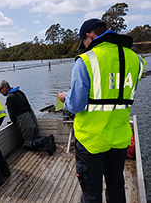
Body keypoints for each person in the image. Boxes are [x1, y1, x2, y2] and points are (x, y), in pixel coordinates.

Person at [58, 18, 146, 203]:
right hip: (120, 137)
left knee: (91, 193)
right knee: (116, 188)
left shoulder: (86, 61)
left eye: (83, 43)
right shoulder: (135, 59)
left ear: (89, 36)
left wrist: (66, 98)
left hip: (92, 141)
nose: (84, 48)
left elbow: (76, 105)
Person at [0, 80, 56, 156]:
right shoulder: (19, 92)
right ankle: (48, 139)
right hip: (32, 117)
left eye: (0, 90)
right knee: (34, 137)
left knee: (26, 143)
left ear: (4, 87)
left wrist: (13, 121)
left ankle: (45, 140)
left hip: (25, 120)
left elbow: (12, 116)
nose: (0, 92)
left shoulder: (10, 97)